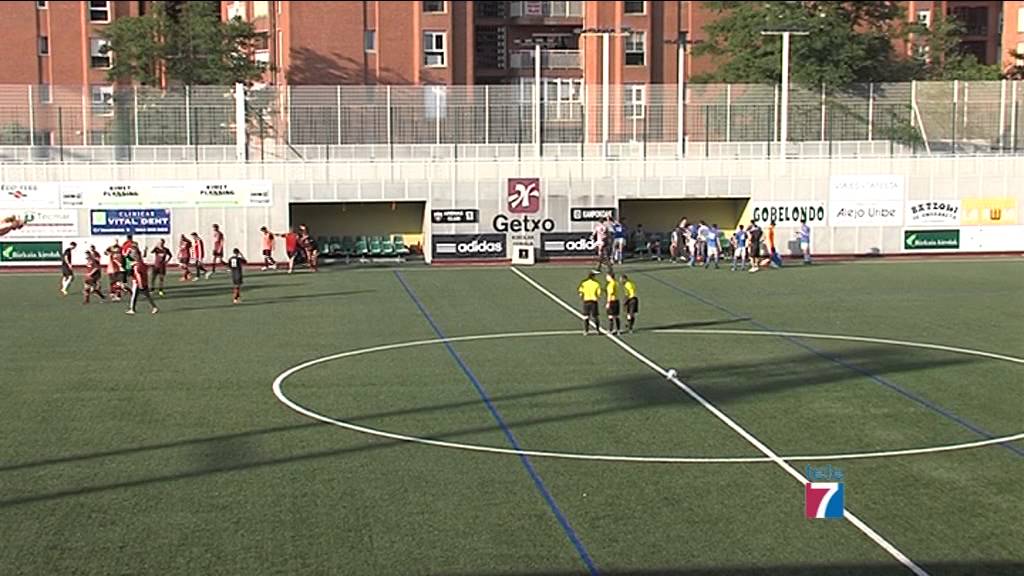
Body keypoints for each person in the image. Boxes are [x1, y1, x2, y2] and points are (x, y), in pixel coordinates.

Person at [126, 248, 158, 315]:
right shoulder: (140, 263)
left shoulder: (137, 266)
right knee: (147, 296)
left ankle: (132, 309)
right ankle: (154, 307)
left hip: (138, 283)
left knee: (134, 296)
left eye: (133, 253)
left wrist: (140, 285)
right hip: (144, 282)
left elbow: (138, 276)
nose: (132, 255)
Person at [577, 271, 602, 336]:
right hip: (593, 302)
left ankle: (586, 331)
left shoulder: (584, 283)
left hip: (586, 301)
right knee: (595, 316)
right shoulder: (596, 283)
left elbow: (580, 292)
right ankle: (597, 330)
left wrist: (582, 297)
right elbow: (599, 294)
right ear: (593, 276)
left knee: (586, 316)